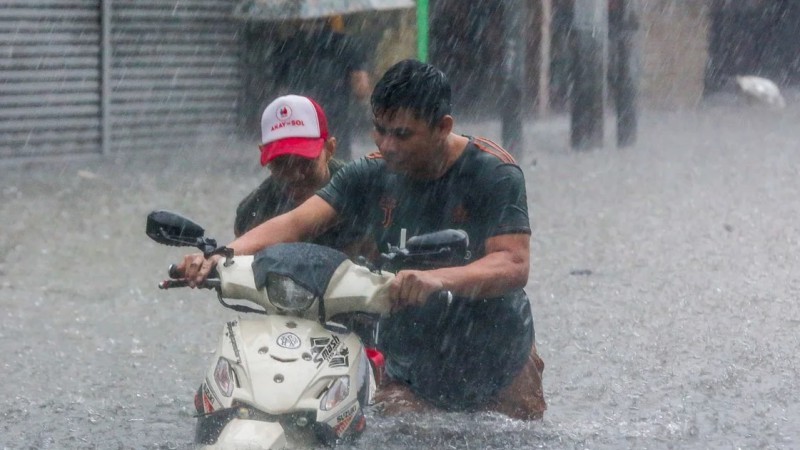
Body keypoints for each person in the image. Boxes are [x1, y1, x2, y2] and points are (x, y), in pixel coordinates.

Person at [180, 59, 545, 418]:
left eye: (402, 134)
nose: (387, 145)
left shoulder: (493, 173)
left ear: (442, 127)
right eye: (379, 129)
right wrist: (221, 255)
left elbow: (513, 263)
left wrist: (437, 278)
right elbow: (294, 222)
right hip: (409, 369)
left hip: (499, 361)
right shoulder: (369, 174)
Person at [273, 17, 371, 161]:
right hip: (335, 125)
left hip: (299, 125)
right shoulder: (345, 43)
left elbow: (280, 92)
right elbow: (361, 89)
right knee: (336, 173)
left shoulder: (287, 45)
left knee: (301, 174)